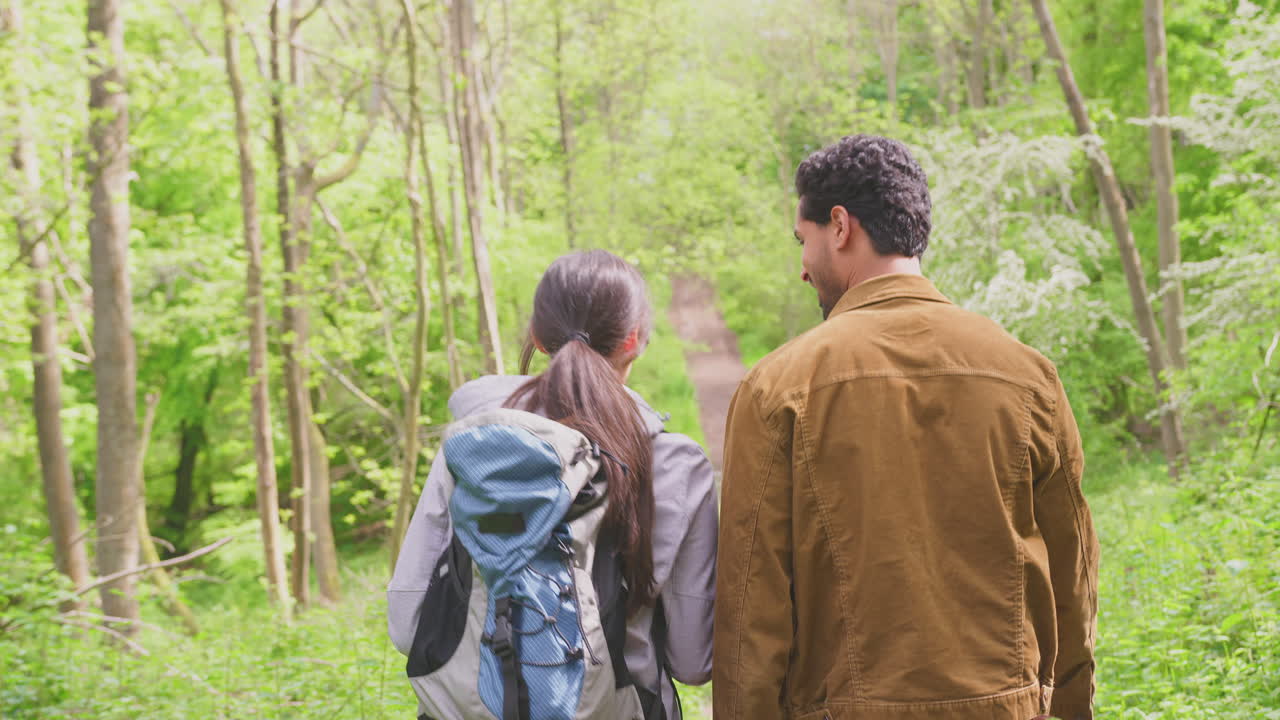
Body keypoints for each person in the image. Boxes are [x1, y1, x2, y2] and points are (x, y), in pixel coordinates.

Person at [713, 135, 1099, 720]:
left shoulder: (777, 388)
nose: (801, 268)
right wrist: (1068, 707)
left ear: (839, 226)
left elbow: (751, 611)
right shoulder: (1028, 376)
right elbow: (1072, 575)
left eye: (804, 241)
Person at [389, 249, 717, 720]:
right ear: (634, 339)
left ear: (538, 338)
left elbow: (407, 625)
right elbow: (692, 659)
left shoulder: (475, 445)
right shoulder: (676, 464)